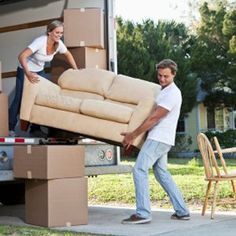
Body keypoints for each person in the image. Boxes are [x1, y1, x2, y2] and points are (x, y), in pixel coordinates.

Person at [121, 59, 190, 224]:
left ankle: (143, 213)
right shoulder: (163, 90)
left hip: (159, 138)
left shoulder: (172, 93)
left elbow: (154, 118)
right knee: (162, 173)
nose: (162, 79)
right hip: (160, 138)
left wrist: (133, 135)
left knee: (139, 169)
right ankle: (182, 211)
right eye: (159, 75)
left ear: (173, 74)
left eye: (166, 76)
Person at [8, 20, 78, 137]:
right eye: (57, 33)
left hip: (39, 71)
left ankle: (35, 128)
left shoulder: (58, 44)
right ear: (49, 32)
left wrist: (76, 70)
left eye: (61, 33)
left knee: (38, 98)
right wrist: (28, 73)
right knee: (19, 98)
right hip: (25, 69)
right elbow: (22, 56)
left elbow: (68, 54)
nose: (59, 35)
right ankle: (10, 128)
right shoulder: (40, 41)